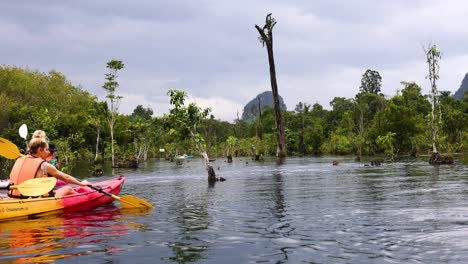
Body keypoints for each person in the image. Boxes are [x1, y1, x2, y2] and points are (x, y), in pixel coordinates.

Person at [8, 136, 90, 198]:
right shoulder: (44, 165)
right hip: (35, 201)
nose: (48, 153)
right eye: (47, 150)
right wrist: (81, 184)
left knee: (53, 190)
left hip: (14, 197)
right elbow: (66, 178)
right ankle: (87, 200)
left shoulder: (19, 160)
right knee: (68, 189)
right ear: (40, 150)